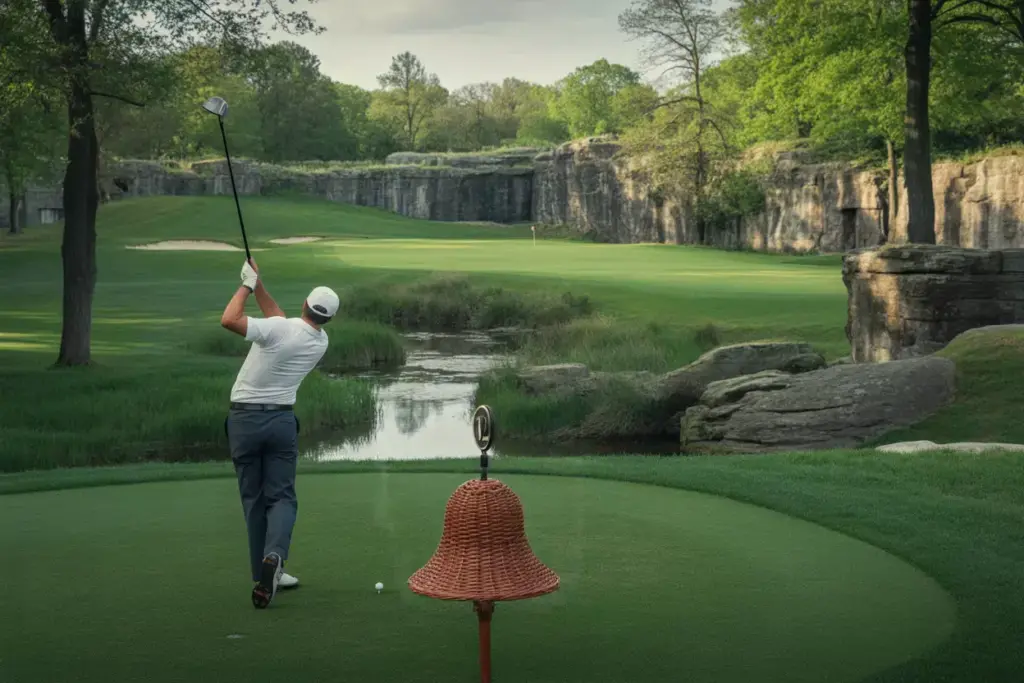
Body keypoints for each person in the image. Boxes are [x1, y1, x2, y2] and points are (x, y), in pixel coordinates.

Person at [220, 258, 339, 609]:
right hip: (281, 424)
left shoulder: (279, 331)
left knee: (254, 502)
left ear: (304, 304)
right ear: (327, 317)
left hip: (244, 421)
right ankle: (275, 559)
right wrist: (260, 286)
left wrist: (244, 286)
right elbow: (279, 318)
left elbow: (229, 319)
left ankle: (264, 570)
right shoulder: (320, 341)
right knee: (282, 498)